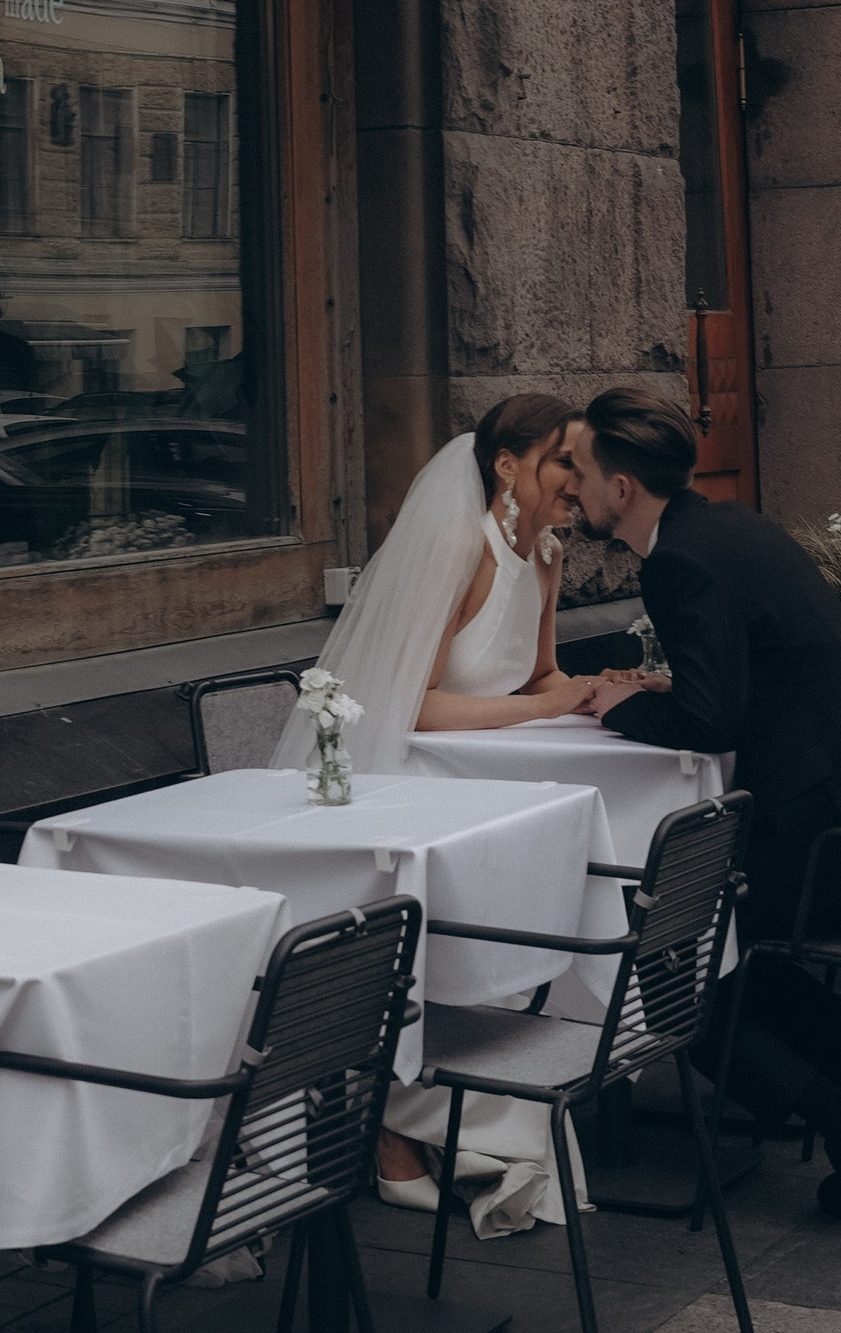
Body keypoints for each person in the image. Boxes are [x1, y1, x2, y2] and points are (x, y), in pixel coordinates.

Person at [567, 388, 841, 1219]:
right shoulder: (731, 526)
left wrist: (618, 705)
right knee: (721, 946)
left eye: (577, 470)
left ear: (621, 487)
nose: (569, 486)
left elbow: (710, 721)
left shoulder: (678, 562)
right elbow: (752, 678)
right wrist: (663, 688)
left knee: (670, 962)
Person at [271, 394, 595, 1232]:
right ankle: (396, 1121)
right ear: (508, 466)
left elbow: (539, 676)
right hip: (409, 788)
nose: (580, 478)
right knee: (444, 960)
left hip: (486, 793)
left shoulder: (545, 553)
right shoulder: (461, 548)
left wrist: (603, 693)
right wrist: (543, 709)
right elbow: (411, 703)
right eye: (565, 460)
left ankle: (423, 1119)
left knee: (516, 943)